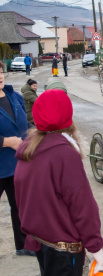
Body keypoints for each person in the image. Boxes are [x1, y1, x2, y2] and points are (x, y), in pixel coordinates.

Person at [14, 89, 103, 276]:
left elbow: (23, 197)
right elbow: (82, 206)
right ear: (68, 116)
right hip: (63, 249)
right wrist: (96, 248)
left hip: (41, 242)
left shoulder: (30, 147)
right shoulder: (64, 154)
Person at [0, 61, 35, 257]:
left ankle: (23, 246)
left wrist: (39, 132)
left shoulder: (14, 96)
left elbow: (25, 124)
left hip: (17, 165)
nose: (0, 76)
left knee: (20, 207)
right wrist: (5, 141)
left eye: (1, 71)